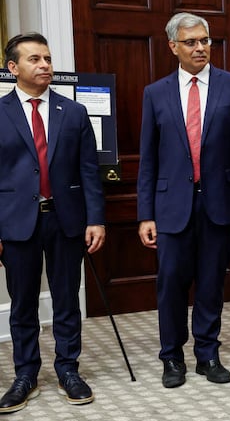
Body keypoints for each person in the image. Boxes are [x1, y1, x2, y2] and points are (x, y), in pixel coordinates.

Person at [138, 12, 230, 389]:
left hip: (220, 202)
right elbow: (148, 158)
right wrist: (145, 214)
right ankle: (172, 357)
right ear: (173, 47)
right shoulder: (155, 93)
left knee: (211, 282)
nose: (200, 48)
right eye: (190, 42)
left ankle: (207, 354)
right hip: (170, 206)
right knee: (171, 283)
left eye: (204, 41)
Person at [0, 32, 106, 413]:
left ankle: (68, 370)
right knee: (22, 304)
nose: (45, 65)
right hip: (16, 223)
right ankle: (25, 375)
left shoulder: (73, 112)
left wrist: (96, 219)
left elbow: (89, 171)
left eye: (47, 58)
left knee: (67, 300)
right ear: (13, 68)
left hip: (66, 221)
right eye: (35, 59)